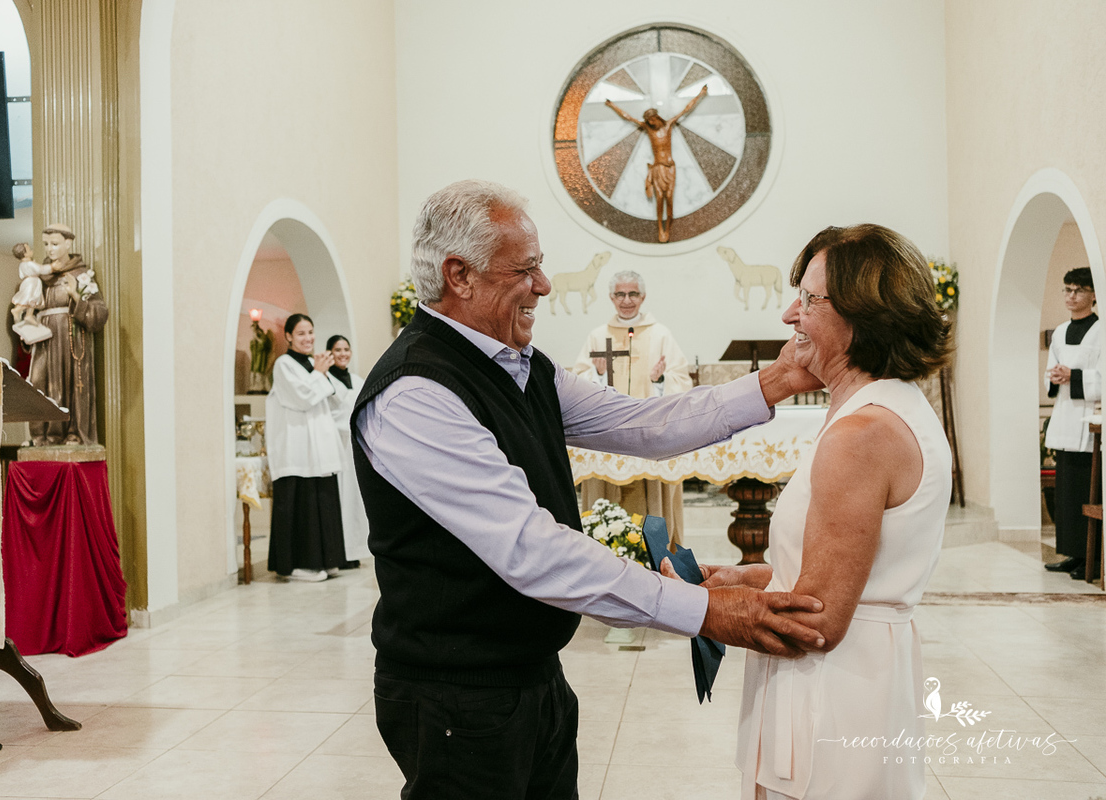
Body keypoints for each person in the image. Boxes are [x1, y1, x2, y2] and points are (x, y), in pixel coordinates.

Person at [352, 179, 827, 800]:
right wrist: (707, 612)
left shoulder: (523, 367)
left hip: (531, 675)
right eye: (525, 269)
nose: (545, 286)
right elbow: (533, 550)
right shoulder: (416, 393)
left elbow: (641, 423)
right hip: (455, 694)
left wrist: (778, 379)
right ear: (459, 275)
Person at [669, 224, 952, 800]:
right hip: (855, 673)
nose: (789, 316)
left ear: (861, 314)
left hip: (836, 695)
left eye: (808, 299)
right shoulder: (881, 406)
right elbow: (836, 569)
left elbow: (815, 620)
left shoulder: (863, 432)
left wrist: (691, 606)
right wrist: (743, 578)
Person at [573, 269, 693, 543]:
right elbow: (577, 384)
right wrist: (599, 376)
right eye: (620, 294)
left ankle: (659, 558)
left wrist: (660, 379)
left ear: (643, 297)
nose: (626, 300)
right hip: (607, 437)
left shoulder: (661, 335)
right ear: (611, 298)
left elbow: (681, 382)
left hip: (649, 435)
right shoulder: (597, 336)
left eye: (633, 294)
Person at [265, 314, 347, 582]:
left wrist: (323, 373)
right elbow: (302, 399)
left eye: (311, 332)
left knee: (322, 501)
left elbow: (335, 397)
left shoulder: (314, 363)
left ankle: (327, 559)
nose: (308, 338)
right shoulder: (283, 365)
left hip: (320, 447)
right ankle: (298, 565)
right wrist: (319, 374)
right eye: (301, 333)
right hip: (296, 448)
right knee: (301, 505)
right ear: (288, 336)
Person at [27, 224, 109, 446]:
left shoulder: (81, 275)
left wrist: (75, 295)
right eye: (46, 244)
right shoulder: (40, 275)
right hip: (43, 339)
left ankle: (71, 432)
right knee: (38, 382)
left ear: (68, 244)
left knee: (69, 382)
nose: (50, 249)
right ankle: (40, 435)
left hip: (70, 338)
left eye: (55, 244)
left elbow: (99, 313)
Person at [1043, 267, 1100, 580]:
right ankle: (1071, 552)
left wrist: (1074, 376)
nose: (1072, 296)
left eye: (1078, 290)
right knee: (1066, 494)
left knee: (1086, 494)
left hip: (1089, 423)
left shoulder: (1101, 331)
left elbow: (1103, 377)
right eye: (1067, 290)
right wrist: (1052, 377)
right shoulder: (1062, 330)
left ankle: (1091, 556)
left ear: (1092, 294)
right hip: (1065, 418)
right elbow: (1051, 371)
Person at [604, 84, 709, 242]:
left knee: (670, 199)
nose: (651, 122)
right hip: (658, 168)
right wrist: (612, 105)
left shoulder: (668, 126)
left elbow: (686, 109)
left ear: (657, 117)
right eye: (648, 120)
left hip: (670, 168)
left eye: (652, 119)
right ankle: (660, 226)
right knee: (659, 198)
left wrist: (700, 94)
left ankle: (669, 227)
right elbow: (628, 117)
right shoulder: (648, 129)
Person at [326, 334, 371, 569]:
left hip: (353, 445)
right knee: (338, 498)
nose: (343, 353)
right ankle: (338, 552)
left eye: (346, 349)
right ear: (329, 353)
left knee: (354, 499)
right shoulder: (325, 380)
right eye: (337, 350)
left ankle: (353, 550)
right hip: (335, 444)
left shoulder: (357, 379)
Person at [8, 242, 53, 344]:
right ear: (25, 254)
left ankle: (29, 315)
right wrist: (52, 267)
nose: (32, 251)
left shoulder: (22, 265)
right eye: (29, 250)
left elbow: (22, 274)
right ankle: (18, 310)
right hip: (32, 283)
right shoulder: (30, 264)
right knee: (29, 299)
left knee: (32, 300)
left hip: (29, 282)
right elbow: (40, 269)